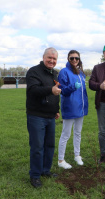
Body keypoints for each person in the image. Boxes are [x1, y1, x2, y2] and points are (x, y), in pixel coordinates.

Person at [26, 47, 61, 188]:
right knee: (37, 147)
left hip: (50, 116)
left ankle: (45, 170)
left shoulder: (55, 73)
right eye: (49, 58)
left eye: (54, 59)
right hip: (36, 116)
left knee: (49, 145)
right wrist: (50, 90)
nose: (52, 61)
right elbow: (33, 90)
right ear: (43, 57)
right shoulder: (34, 72)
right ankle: (35, 175)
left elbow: (56, 92)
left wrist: (56, 109)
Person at [57, 50, 88, 169]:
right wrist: (72, 87)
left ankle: (77, 155)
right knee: (66, 134)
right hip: (70, 107)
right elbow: (62, 90)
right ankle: (60, 160)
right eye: (72, 58)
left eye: (76, 58)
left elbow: (83, 92)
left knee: (78, 133)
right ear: (68, 59)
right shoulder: (64, 72)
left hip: (80, 108)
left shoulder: (81, 73)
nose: (74, 60)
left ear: (79, 59)